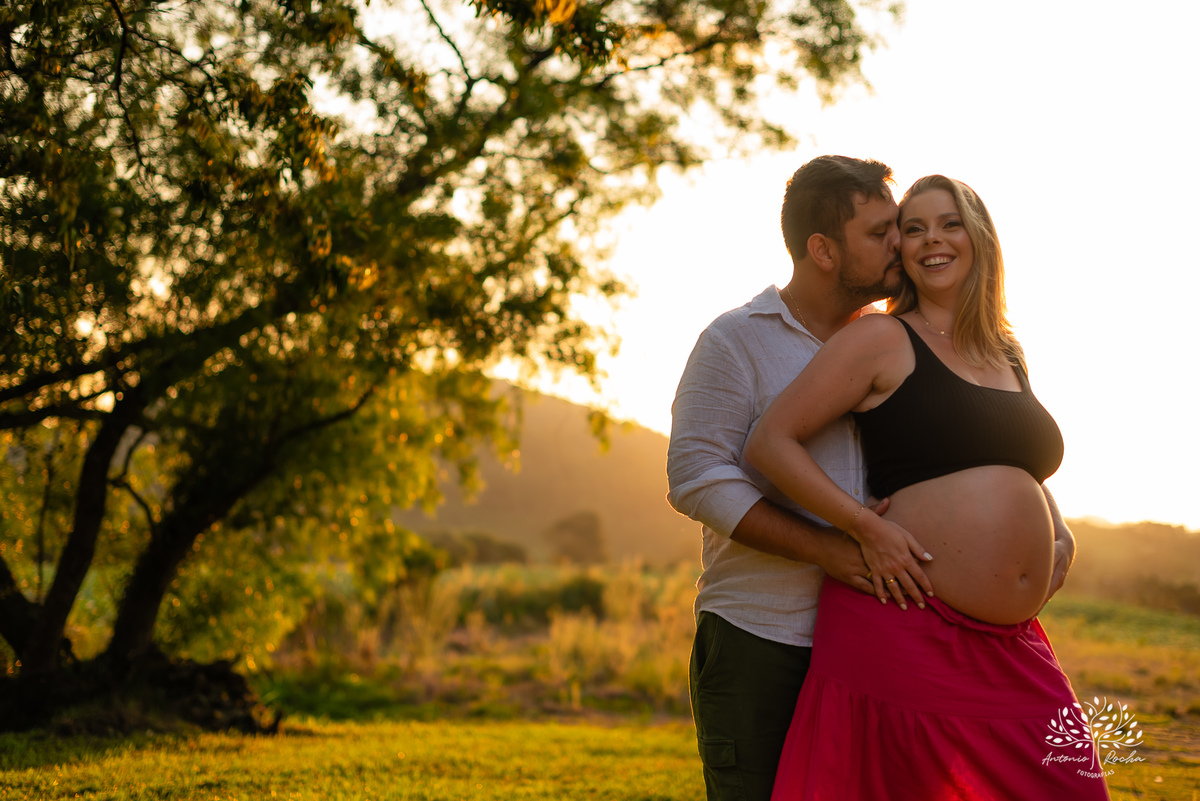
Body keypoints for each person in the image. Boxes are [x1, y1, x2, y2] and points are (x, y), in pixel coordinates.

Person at [744, 175, 1105, 799]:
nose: (931, 239)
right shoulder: (882, 338)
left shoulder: (1007, 352)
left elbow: (1014, 462)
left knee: (1069, 786)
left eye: (949, 223)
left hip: (1008, 639)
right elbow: (770, 442)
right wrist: (864, 526)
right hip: (905, 618)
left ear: (980, 237)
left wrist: (1057, 524)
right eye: (914, 229)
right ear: (901, 252)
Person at [666, 155, 936, 801]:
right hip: (763, 637)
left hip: (877, 635)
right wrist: (830, 549)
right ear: (822, 249)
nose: (899, 243)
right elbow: (697, 476)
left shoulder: (897, 341)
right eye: (878, 233)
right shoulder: (737, 339)